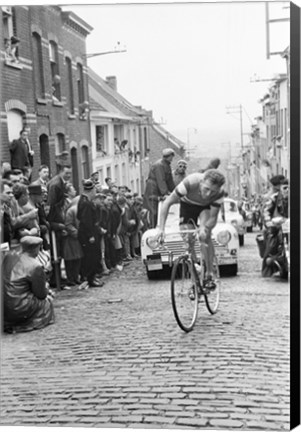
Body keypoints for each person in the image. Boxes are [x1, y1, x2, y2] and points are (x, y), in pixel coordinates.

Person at [156, 169, 226, 289]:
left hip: (205, 209)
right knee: (188, 238)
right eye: (206, 189)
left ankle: (209, 273)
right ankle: (194, 274)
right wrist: (161, 229)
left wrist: (205, 228)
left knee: (204, 236)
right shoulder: (189, 183)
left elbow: (213, 218)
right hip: (187, 206)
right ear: (201, 182)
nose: (208, 194)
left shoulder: (219, 193)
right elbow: (167, 203)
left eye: (212, 191)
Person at [2, 236, 55, 333]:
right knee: (47, 303)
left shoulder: (9, 256)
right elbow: (41, 294)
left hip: (4, 305)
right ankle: (25, 324)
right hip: (20, 307)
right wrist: (47, 288)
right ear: (36, 248)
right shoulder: (35, 266)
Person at [77, 179, 103, 289]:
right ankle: (90, 278)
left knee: (94, 255)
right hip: (88, 234)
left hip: (90, 231)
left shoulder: (83, 201)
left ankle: (93, 276)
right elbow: (86, 220)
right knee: (91, 256)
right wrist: (90, 235)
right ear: (91, 190)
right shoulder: (86, 203)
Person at [261, 178, 289, 277]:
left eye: (289, 188)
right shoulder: (274, 198)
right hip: (278, 226)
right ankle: (267, 269)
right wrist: (269, 221)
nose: (287, 190)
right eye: (285, 188)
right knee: (271, 244)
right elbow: (266, 211)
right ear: (280, 188)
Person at [143, 148, 175, 228]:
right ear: (170, 156)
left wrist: (175, 192)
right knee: (154, 212)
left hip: (158, 188)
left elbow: (169, 181)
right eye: (172, 156)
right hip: (153, 189)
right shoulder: (159, 165)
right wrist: (165, 193)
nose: (172, 158)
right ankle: (151, 227)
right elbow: (161, 180)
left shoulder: (167, 165)